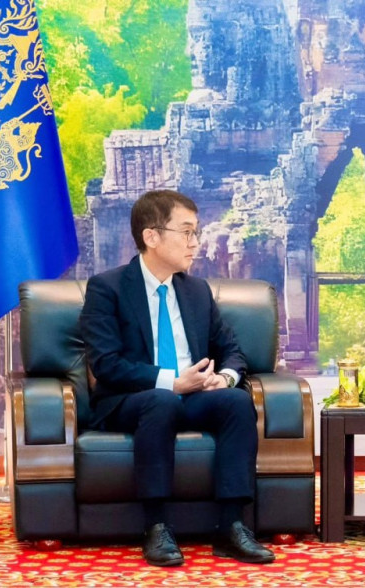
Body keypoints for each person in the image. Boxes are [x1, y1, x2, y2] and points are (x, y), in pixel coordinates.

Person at [79, 190, 273, 567]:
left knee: (236, 401)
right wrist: (171, 381)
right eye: (186, 232)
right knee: (162, 399)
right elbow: (107, 364)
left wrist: (225, 378)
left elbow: (231, 348)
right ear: (151, 236)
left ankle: (232, 526)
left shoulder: (196, 290)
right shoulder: (108, 288)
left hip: (194, 396)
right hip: (132, 400)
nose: (194, 242)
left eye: (195, 232)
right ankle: (156, 527)